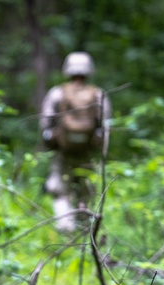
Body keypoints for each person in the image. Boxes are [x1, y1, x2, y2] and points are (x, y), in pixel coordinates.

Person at [40, 51, 111, 234]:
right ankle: (85, 231)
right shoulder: (98, 94)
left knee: (60, 190)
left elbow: (46, 122)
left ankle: (65, 228)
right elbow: (105, 125)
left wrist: (51, 141)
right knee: (86, 191)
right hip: (87, 152)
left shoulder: (57, 93)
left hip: (63, 152)